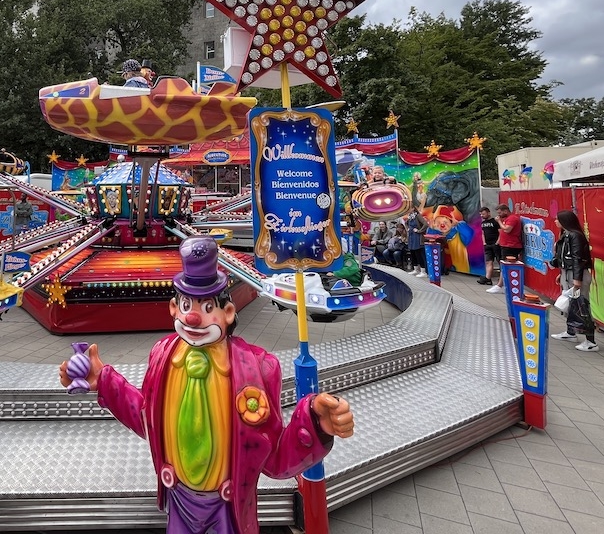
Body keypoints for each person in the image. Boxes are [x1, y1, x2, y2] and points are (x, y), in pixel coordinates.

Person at [59, 236, 355, 534]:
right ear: (174, 308)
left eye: (207, 306)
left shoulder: (259, 368)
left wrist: (314, 425)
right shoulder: (162, 355)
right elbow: (148, 419)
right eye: (186, 304)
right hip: (179, 502)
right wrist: (104, 382)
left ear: (228, 313)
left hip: (228, 509)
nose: (192, 316)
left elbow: (275, 458)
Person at [550, 209, 598, 351]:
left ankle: (591, 341)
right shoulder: (567, 234)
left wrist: (577, 279)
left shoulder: (575, 236)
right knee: (571, 305)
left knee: (582, 305)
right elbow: (568, 258)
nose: (555, 221)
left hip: (577, 275)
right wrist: (562, 273)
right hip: (569, 273)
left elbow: (578, 258)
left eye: (558, 219)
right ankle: (571, 332)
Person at [488, 204, 522, 293]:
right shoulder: (507, 219)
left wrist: (499, 221)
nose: (499, 215)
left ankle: (500, 285)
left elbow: (507, 229)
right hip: (506, 245)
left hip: (511, 245)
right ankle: (503, 284)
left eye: (500, 213)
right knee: (503, 264)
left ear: (505, 211)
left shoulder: (512, 218)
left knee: (505, 264)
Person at [479, 206, 500, 286]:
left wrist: (497, 243)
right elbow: (483, 233)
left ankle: (502, 278)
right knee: (488, 261)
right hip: (487, 245)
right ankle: (488, 279)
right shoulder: (483, 223)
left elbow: (500, 232)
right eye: (481, 214)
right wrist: (484, 243)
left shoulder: (495, 221)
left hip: (495, 244)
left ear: (488, 213)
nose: (482, 216)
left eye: (483, 214)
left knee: (499, 261)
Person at [406, 207, 428, 277]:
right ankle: (416, 270)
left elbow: (425, 224)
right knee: (413, 253)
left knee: (418, 254)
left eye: (409, 208)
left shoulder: (418, 216)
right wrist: (408, 229)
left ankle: (423, 271)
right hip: (411, 237)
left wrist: (419, 231)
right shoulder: (409, 217)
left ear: (413, 208)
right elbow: (406, 224)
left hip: (417, 237)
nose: (408, 209)